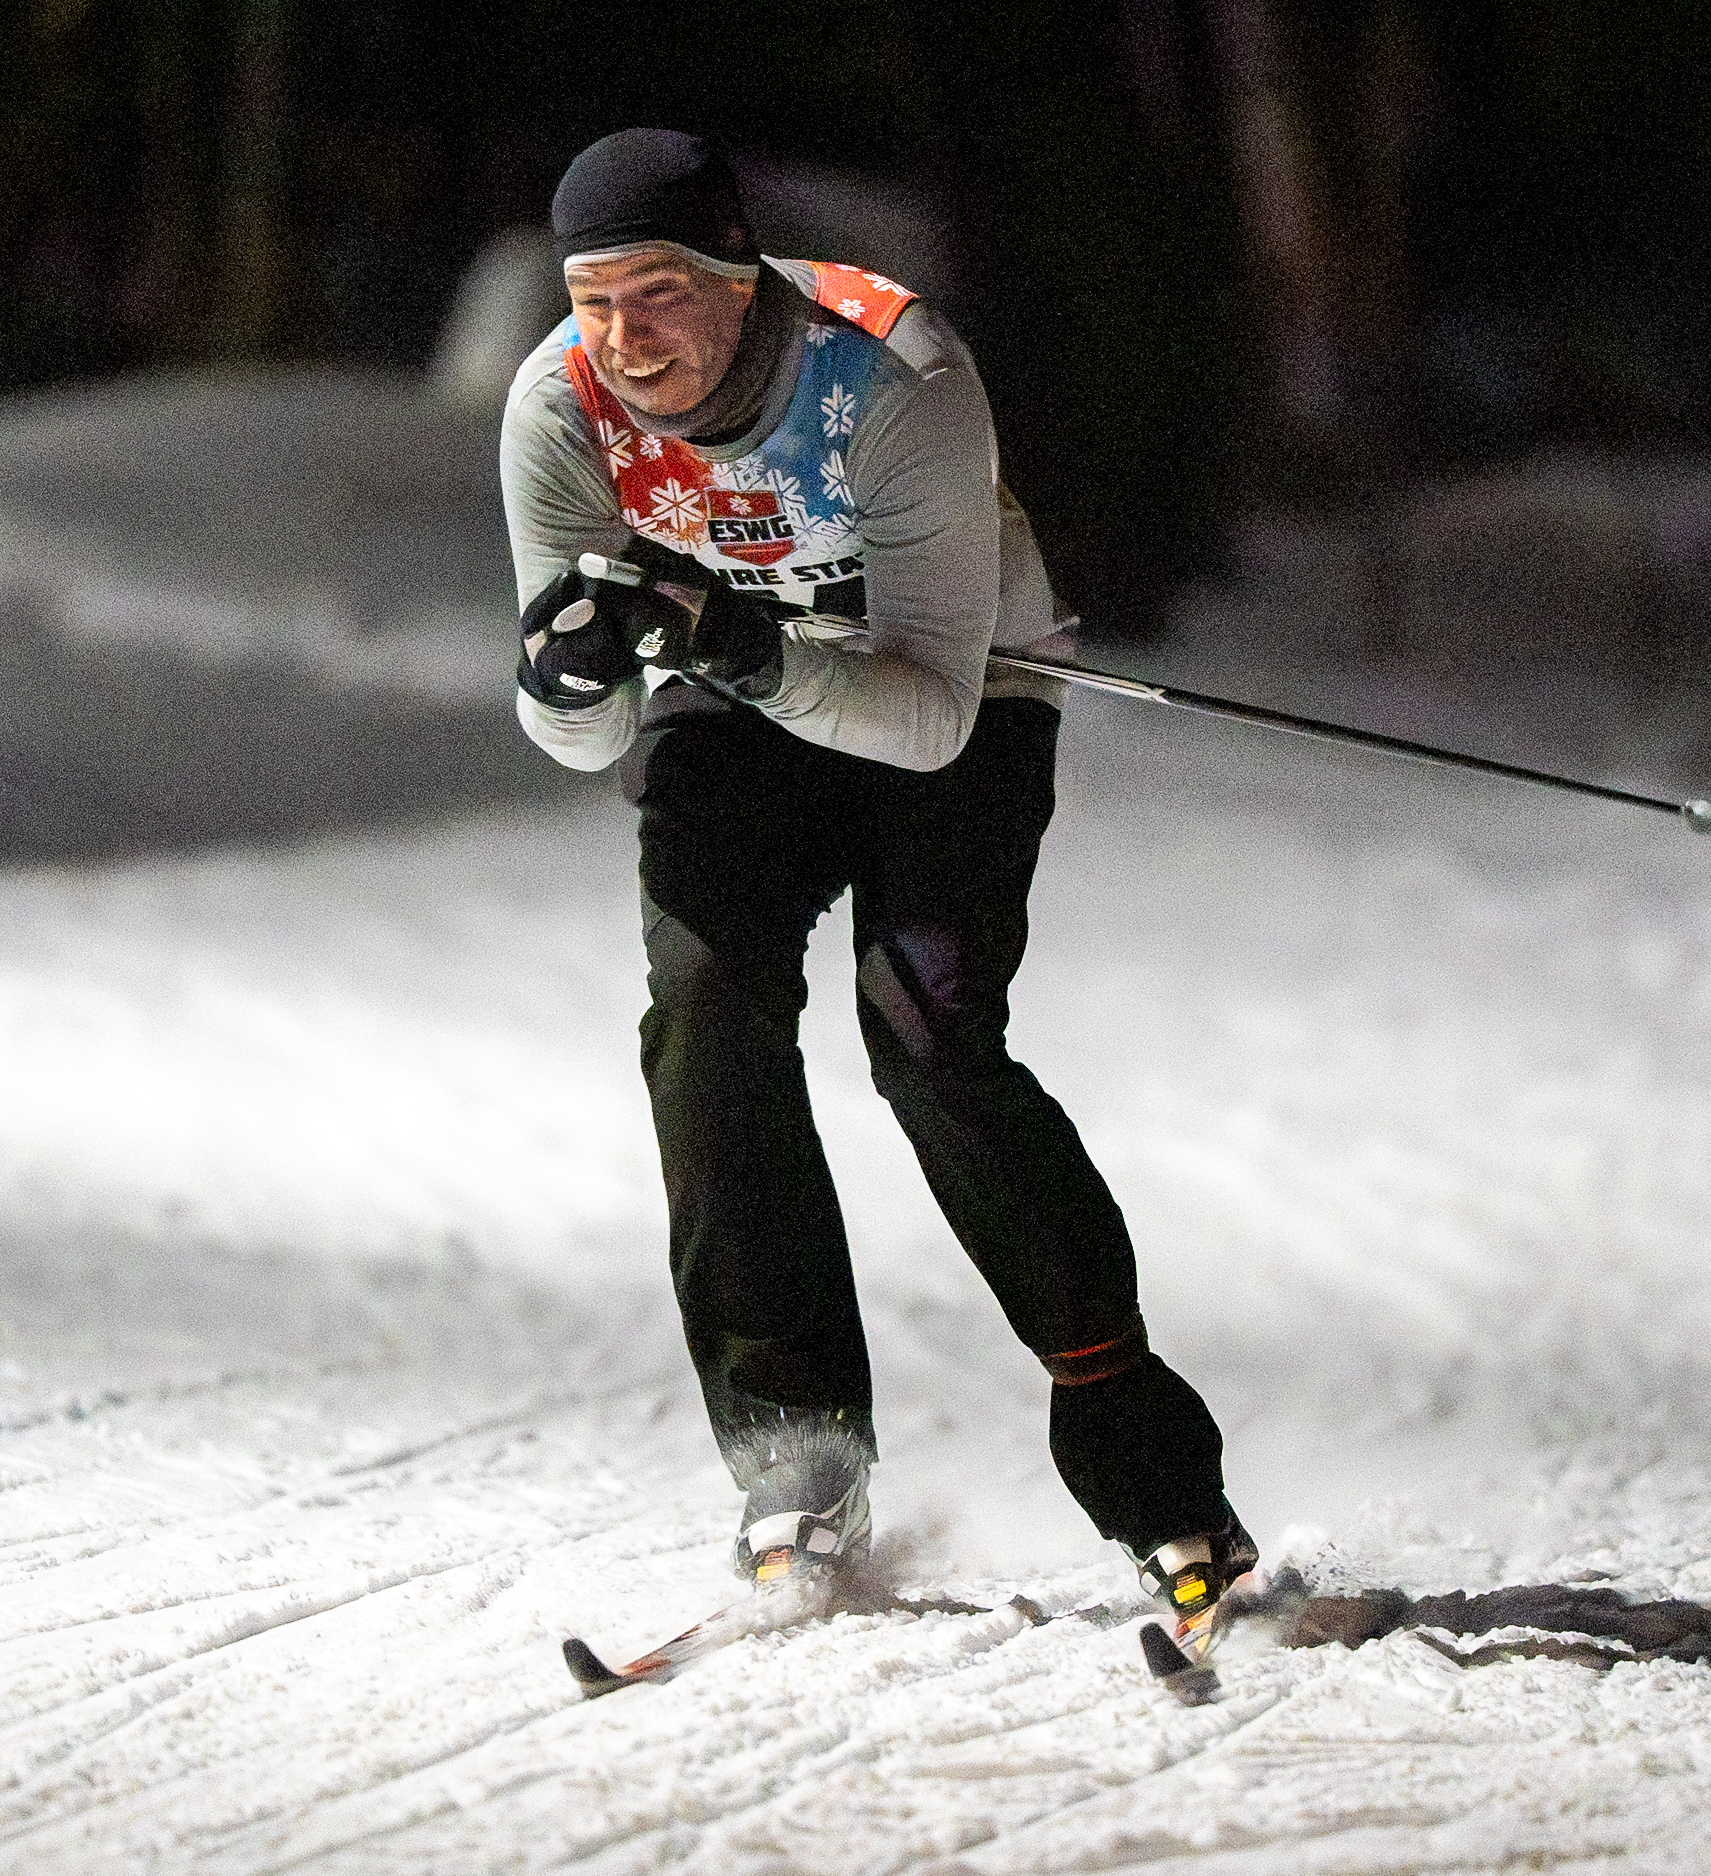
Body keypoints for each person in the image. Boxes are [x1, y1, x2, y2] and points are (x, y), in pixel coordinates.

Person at [497, 128, 1253, 1628]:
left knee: (927, 1039)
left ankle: (1151, 1472)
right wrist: (566, 679)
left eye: (658, 295)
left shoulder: (891, 375)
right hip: (739, 700)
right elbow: (578, 738)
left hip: (952, 689)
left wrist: (740, 643)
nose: (625, 341)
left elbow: (923, 723)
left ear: (737, 279)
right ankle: (795, 1457)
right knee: (703, 1013)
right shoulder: (556, 406)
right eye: (594, 301)